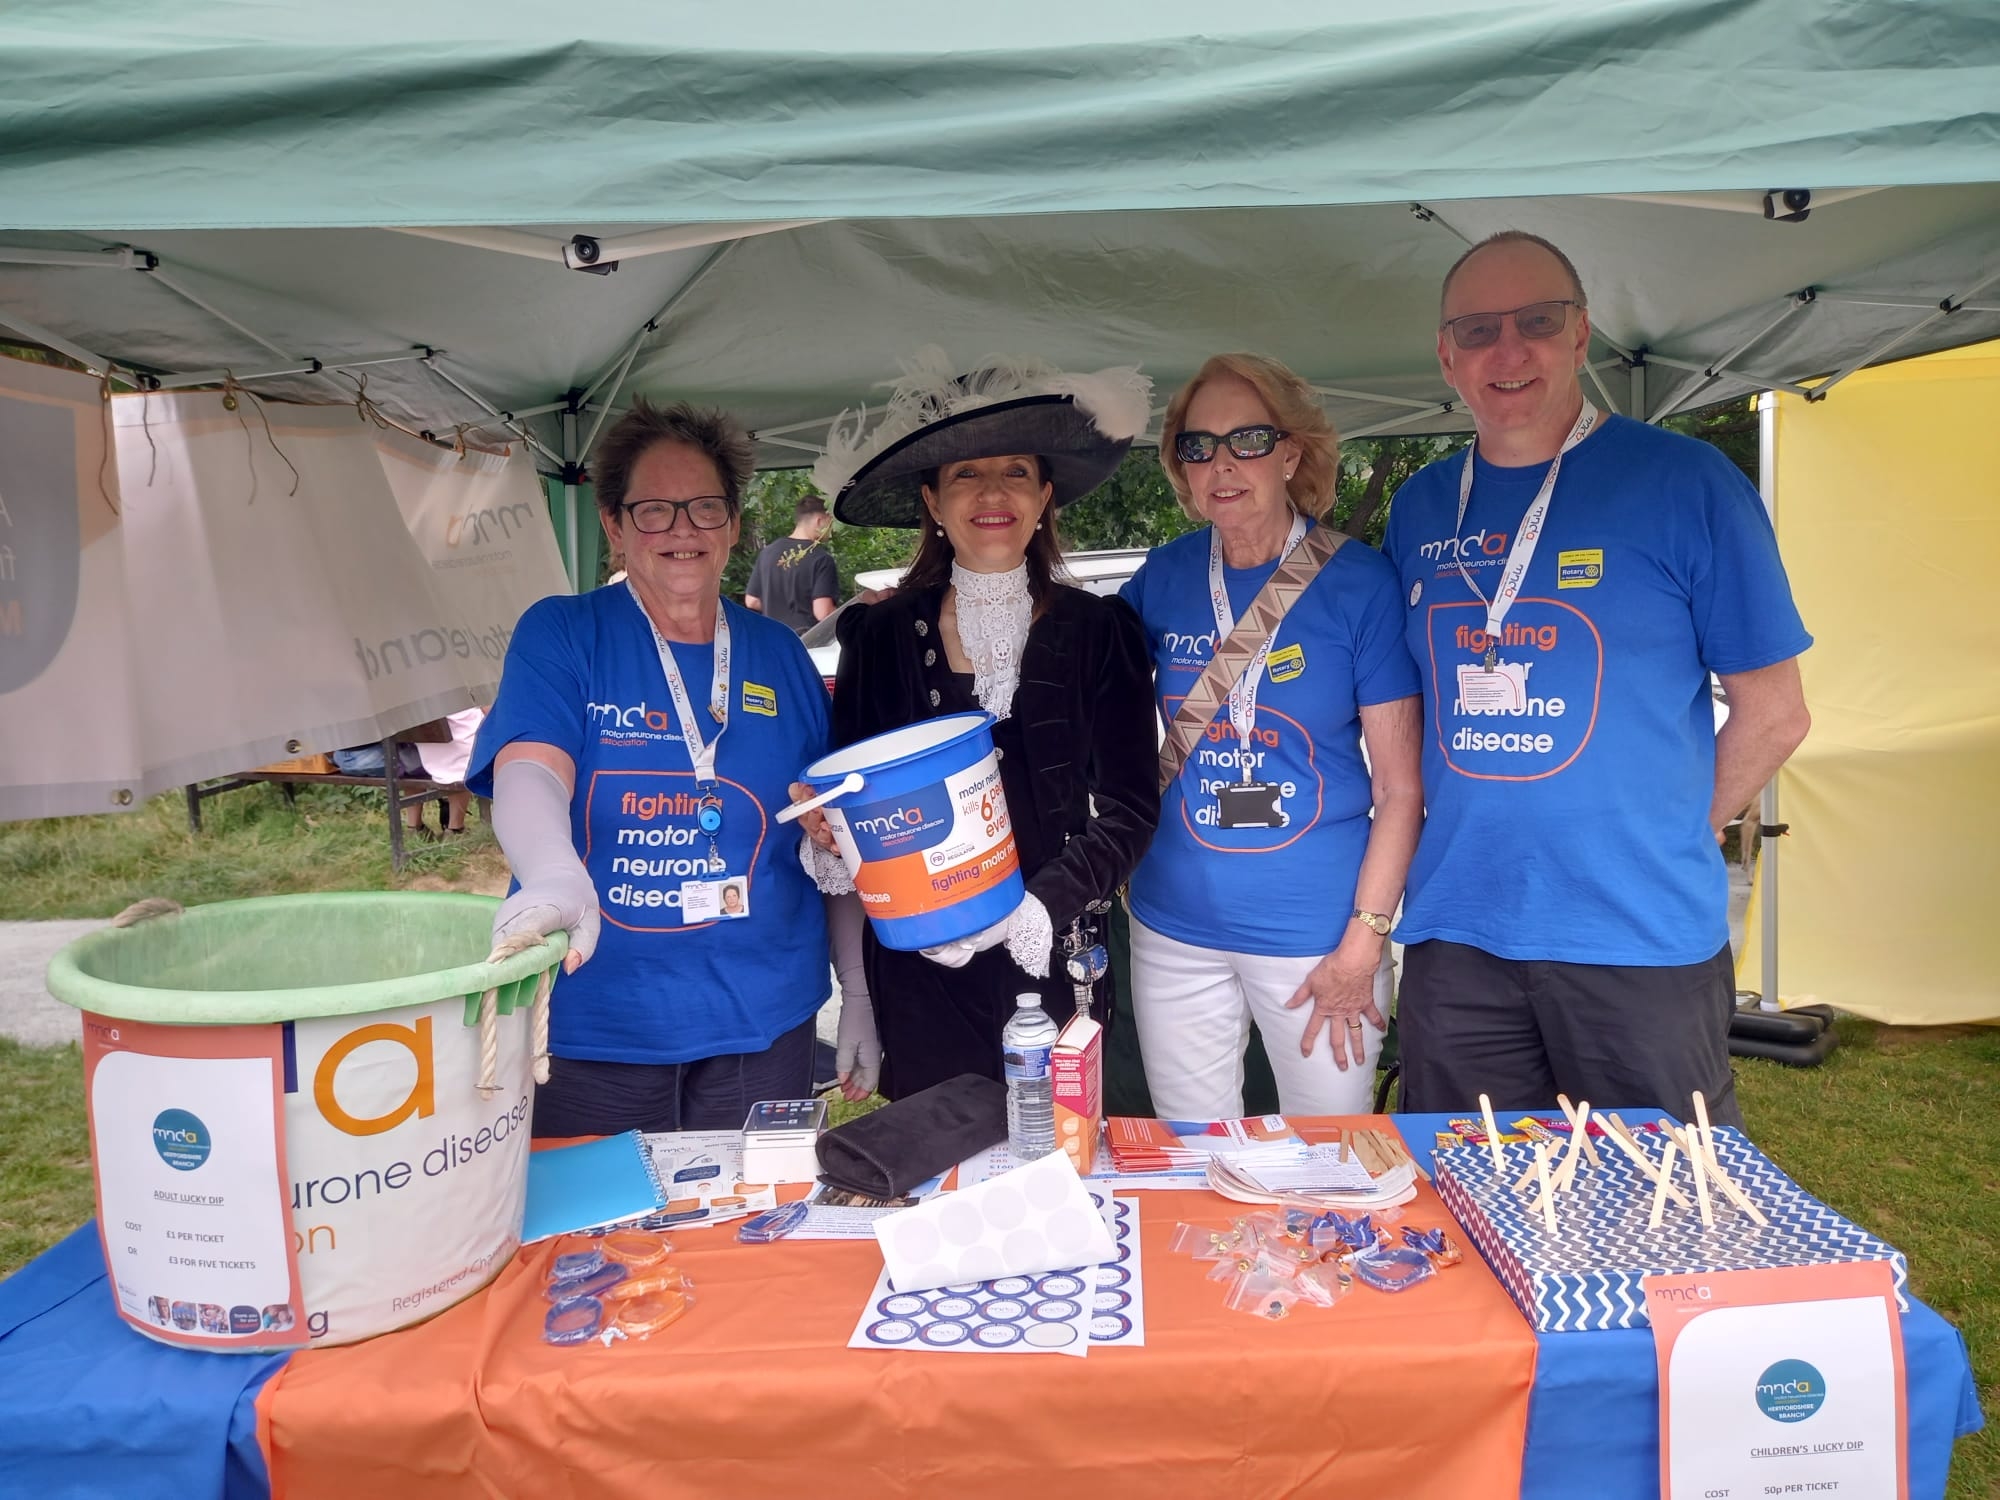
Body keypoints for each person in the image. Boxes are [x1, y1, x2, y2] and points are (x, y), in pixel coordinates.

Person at [1380, 231, 1813, 1128]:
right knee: (1475, 1203)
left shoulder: (1685, 483)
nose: (1509, 351)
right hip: (1458, 930)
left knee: (1662, 1208)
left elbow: (1775, 714)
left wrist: (1667, 834)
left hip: (1637, 935)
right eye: (1477, 330)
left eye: (1537, 321)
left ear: (1581, 334)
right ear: (1445, 355)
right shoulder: (1421, 507)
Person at [466, 398, 846, 1136]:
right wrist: (551, 870)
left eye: (705, 508)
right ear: (613, 524)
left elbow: (825, 825)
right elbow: (529, 770)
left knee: (748, 1239)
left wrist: (857, 991)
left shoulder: (780, 654)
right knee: (599, 1246)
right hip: (596, 1014)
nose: (682, 530)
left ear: (734, 525)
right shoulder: (565, 632)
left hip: (763, 1017)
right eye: (653, 511)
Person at [798, 352, 1161, 1102]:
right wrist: (830, 830)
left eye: (1015, 473)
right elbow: (849, 805)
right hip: (921, 974)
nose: (992, 493)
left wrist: (1035, 911)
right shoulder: (883, 634)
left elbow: (1130, 810)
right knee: (939, 1172)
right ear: (932, 500)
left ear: (1044, 496)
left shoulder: (1102, 630)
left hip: (1058, 961)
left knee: (1061, 1166)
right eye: (966, 474)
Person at [1120, 354, 1423, 1118]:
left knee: (1330, 1163)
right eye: (1199, 446)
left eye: (1247, 440)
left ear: (1292, 452)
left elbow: (1399, 788)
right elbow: (1075, 682)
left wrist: (1364, 944)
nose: (1222, 464)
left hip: (1318, 940)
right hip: (1173, 930)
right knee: (1195, 1161)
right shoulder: (1163, 576)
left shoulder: (1360, 582)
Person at [744, 492, 839, 631]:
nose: (831, 530)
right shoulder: (821, 559)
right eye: (830, 523)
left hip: (773, 638)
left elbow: (751, 601)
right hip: (805, 641)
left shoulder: (767, 553)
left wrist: (779, 610)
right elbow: (823, 612)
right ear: (820, 520)